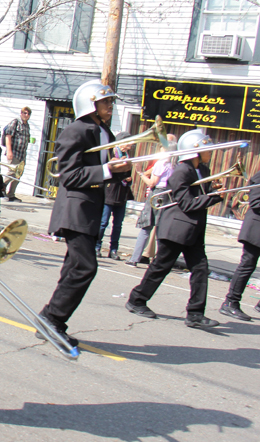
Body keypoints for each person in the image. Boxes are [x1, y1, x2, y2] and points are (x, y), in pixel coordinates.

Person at [38, 80, 131, 348]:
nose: (110, 106)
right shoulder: (75, 131)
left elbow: (107, 171)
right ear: (91, 103)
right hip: (74, 209)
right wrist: (109, 171)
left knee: (74, 268)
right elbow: (69, 175)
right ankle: (53, 319)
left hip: (89, 209)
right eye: (105, 102)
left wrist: (123, 167)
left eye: (110, 101)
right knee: (85, 267)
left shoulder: (103, 131)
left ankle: (50, 319)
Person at [125, 129, 223, 329]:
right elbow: (187, 203)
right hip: (176, 228)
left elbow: (200, 194)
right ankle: (136, 299)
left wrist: (213, 190)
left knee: (201, 269)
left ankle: (195, 314)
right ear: (194, 151)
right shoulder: (181, 171)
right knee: (161, 266)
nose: (210, 152)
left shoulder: (202, 170)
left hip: (193, 229)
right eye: (207, 148)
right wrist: (214, 197)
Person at [126, 134, 178, 268]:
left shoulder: (162, 163)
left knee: (146, 227)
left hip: (158, 194)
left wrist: (140, 173)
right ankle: (161, 261)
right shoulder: (175, 165)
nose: (159, 150)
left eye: (161, 148)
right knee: (162, 229)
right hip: (168, 195)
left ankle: (134, 258)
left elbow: (152, 183)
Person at [220, 170, 260, 321]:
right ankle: (230, 302)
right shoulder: (259, 176)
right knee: (247, 265)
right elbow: (256, 202)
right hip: (256, 229)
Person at [95, 133, 134, 260]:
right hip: (110, 192)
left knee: (118, 225)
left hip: (122, 194)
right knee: (103, 222)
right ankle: (96, 246)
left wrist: (129, 179)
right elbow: (105, 172)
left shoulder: (127, 157)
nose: (130, 145)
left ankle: (113, 250)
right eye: (128, 142)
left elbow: (129, 175)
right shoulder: (111, 154)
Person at [3, 106, 31, 201]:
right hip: (14, 152)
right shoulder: (15, 122)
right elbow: (8, 136)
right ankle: (0, 190)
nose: (26, 115)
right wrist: (9, 151)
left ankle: (11, 194)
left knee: (18, 175)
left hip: (22, 154)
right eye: (25, 113)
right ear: (21, 113)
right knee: (11, 173)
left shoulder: (27, 126)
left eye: (28, 114)